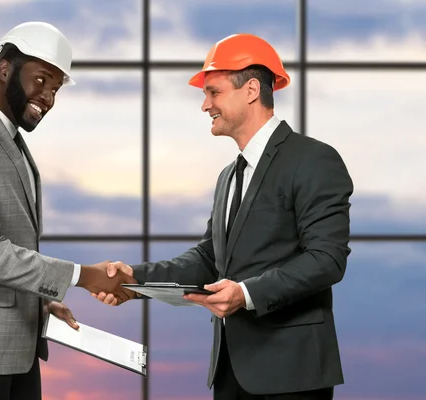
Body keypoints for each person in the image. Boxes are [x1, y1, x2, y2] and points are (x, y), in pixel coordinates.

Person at [94, 33, 353, 400]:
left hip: (292, 376)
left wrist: (246, 294)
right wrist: (135, 280)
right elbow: (208, 259)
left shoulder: (313, 160)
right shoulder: (229, 176)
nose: (205, 105)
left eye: (213, 92)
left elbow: (326, 259)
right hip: (231, 374)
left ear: (250, 90)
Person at [0, 21, 135, 400]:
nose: (47, 97)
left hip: (12, 344)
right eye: (42, 80)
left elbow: (9, 242)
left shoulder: (7, 139)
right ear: (4, 69)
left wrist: (40, 304)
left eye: (56, 88)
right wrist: (83, 276)